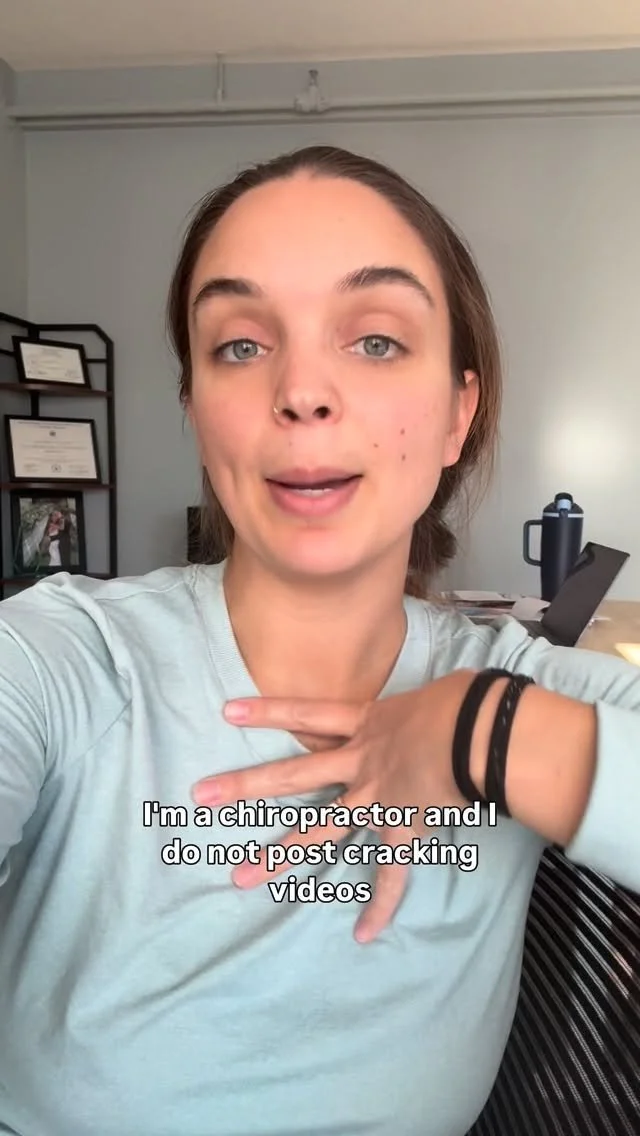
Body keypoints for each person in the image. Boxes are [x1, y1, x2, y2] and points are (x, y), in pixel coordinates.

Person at [0, 144, 638, 1136]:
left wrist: (484, 733)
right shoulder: (67, 656)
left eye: (376, 340)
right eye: (240, 345)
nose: (301, 391)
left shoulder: (514, 679)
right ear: (195, 410)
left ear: (457, 413)